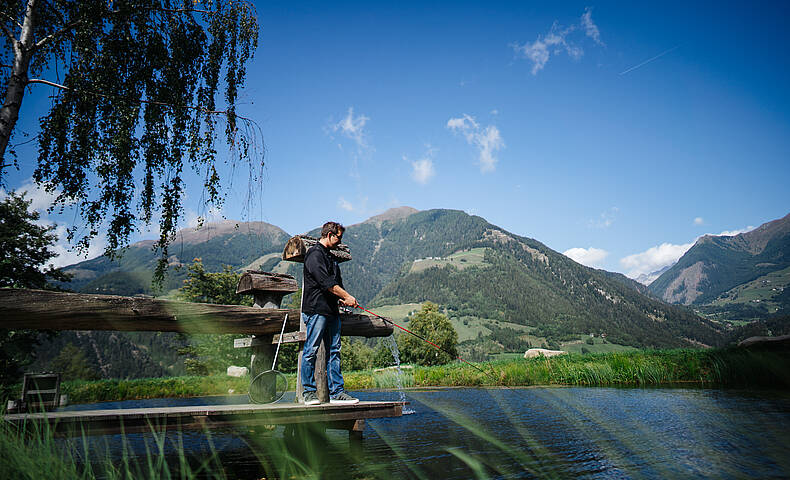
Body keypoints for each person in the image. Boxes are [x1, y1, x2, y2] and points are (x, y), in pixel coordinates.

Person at [300, 221, 359, 405]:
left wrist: (343, 298)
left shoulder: (331, 257)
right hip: (316, 310)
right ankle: (309, 393)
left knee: (335, 351)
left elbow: (336, 285)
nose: (340, 241)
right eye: (338, 237)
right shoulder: (314, 255)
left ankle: (337, 393)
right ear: (329, 235)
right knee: (311, 350)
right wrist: (347, 295)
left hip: (332, 311)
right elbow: (326, 283)